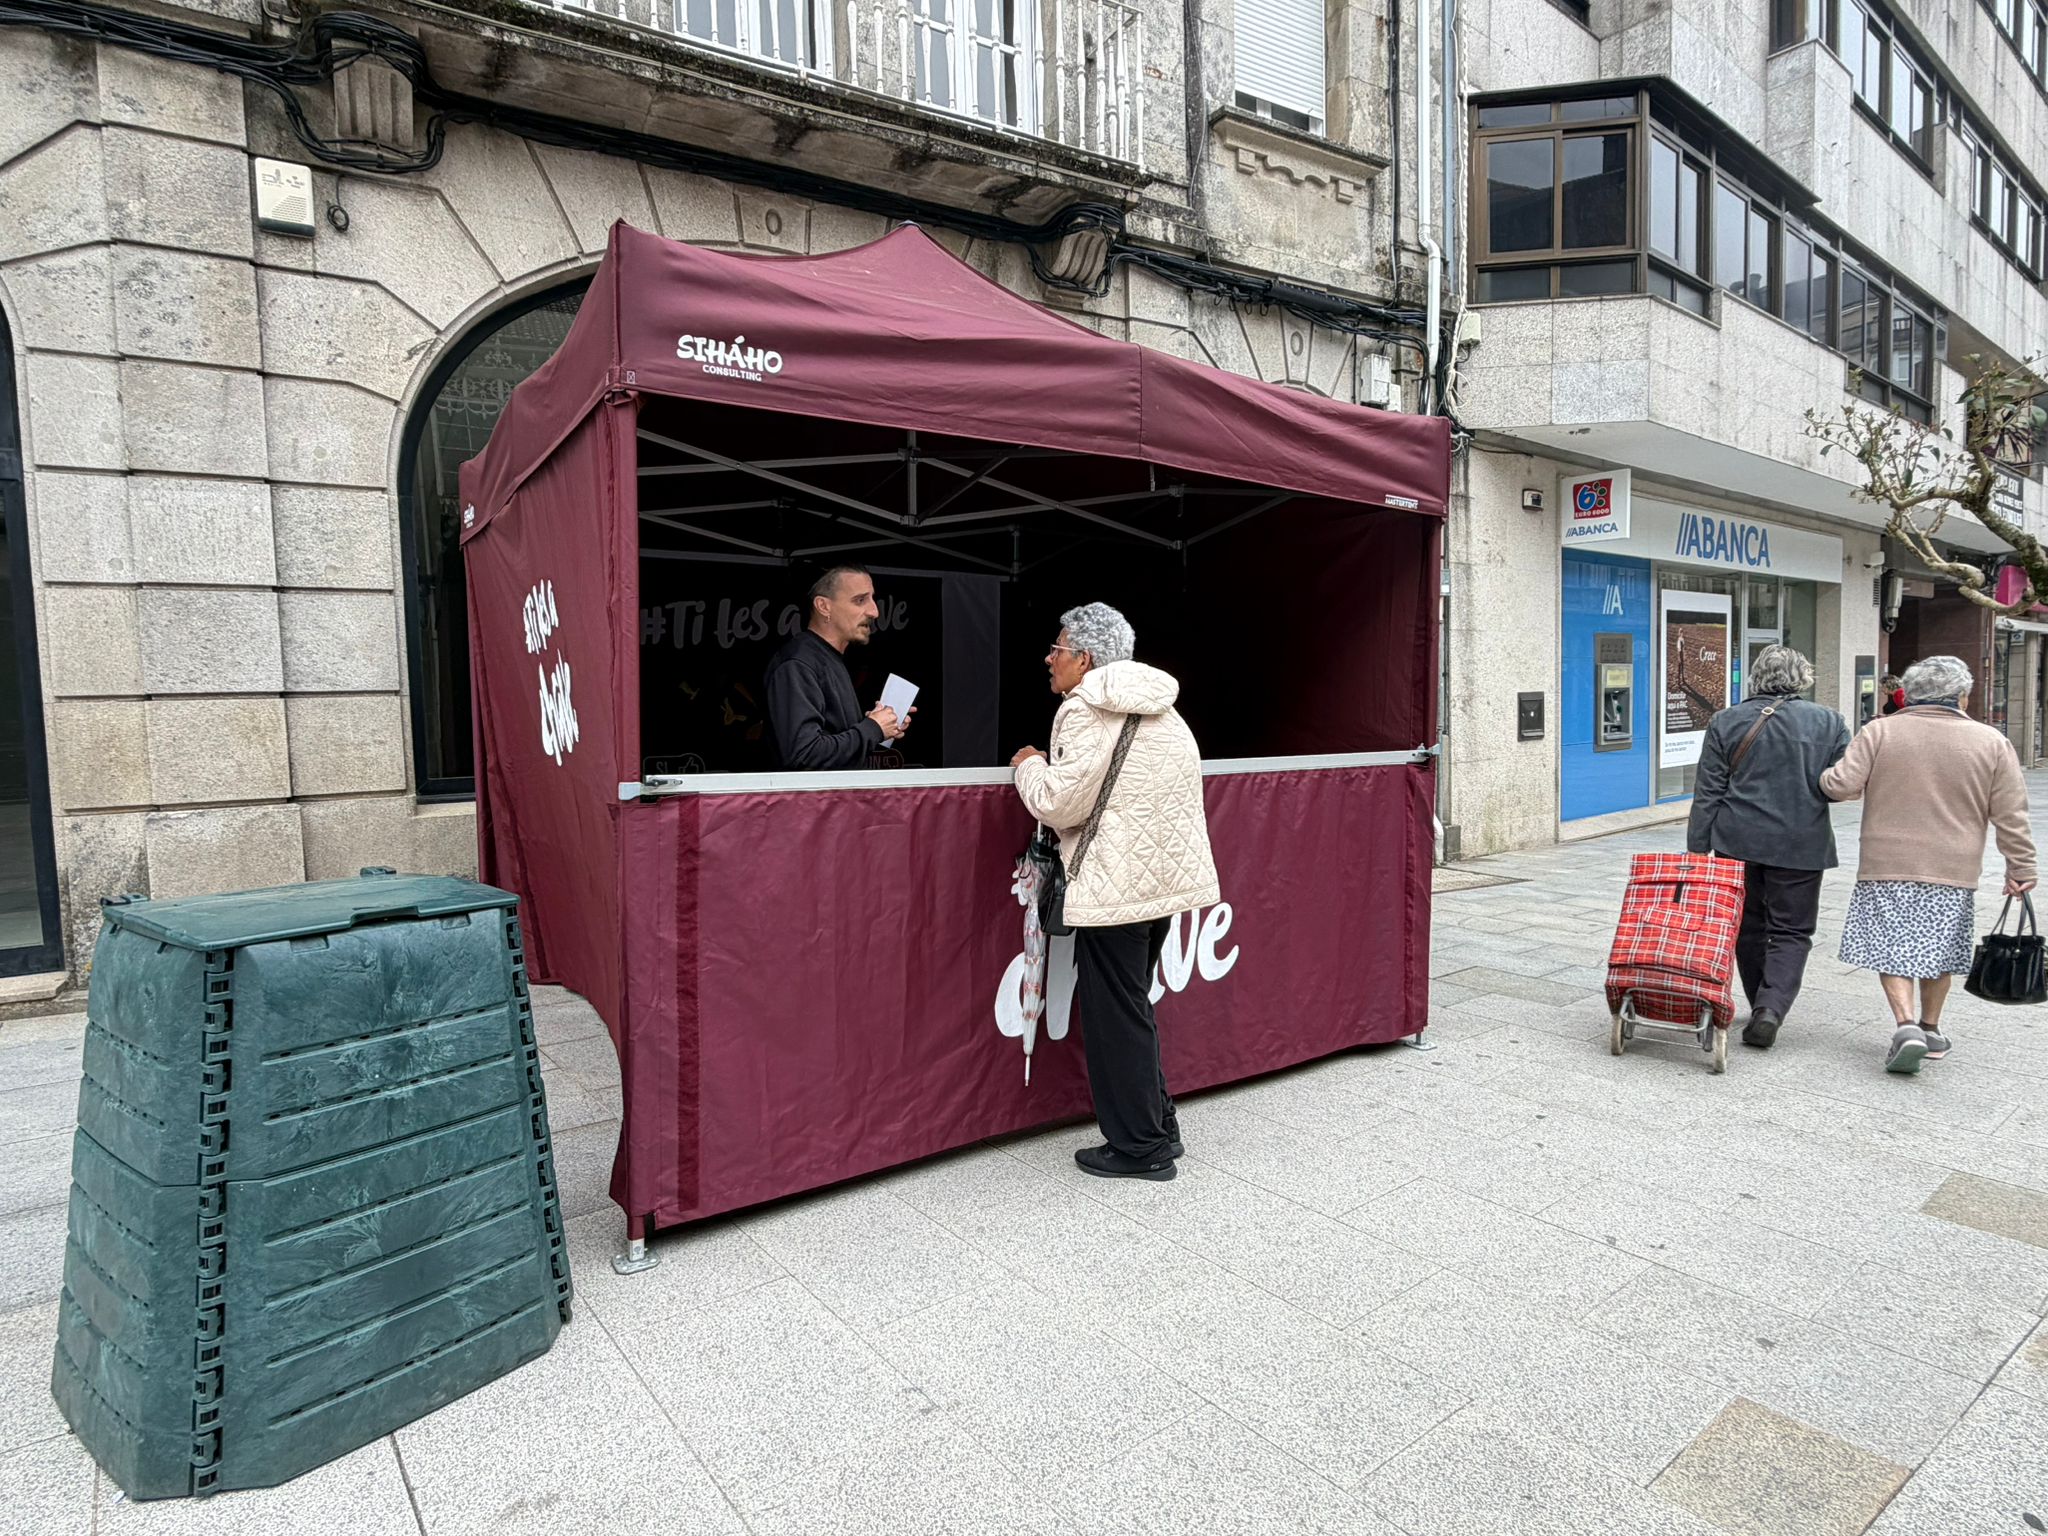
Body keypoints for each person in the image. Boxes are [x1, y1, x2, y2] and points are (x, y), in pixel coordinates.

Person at [1011, 603, 1218, 1182]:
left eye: (1056, 649)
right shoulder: (1165, 708)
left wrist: (1028, 765)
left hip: (1111, 888)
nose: (1048, 659)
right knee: (1133, 1007)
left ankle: (1140, 1148)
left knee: (1114, 1017)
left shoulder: (1083, 709)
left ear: (1084, 658)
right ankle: (1159, 1126)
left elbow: (1059, 803)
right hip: (1161, 886)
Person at [1820, 655, 2037, 1074]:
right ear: (1962, 696)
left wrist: (1820, 776)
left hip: (1886, 862)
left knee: (1892, 946)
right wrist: (2021, 868)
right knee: (1939, 949)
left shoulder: (1880, 731)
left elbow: (1841, 786)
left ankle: (1906, 1027)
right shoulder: (1991, 741)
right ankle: (1931, 1029)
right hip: (1953, 867)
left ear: (1911, 694)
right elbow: (2011, 814)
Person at [1686, 646, 1850, 1049]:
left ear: (1756, 677)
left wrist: (1697, 847)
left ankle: (1761, 1000)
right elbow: (1841, 784)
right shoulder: (1829, 722)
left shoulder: (1726, 720)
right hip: (1801, 842)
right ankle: (1770, 1009)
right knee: (1792, 930)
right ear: (1803, 678)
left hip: (1737, 839)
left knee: (1747, 925)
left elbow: (1709, 788)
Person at [763, 564, 910, 770]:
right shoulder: (797, 664)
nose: (874, 611)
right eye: (860, 600)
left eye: (872, 599)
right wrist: (872, 728)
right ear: (823, 606)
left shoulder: (828, 659)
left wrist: (882, 727)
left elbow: (833, 744)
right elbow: (804, 755)